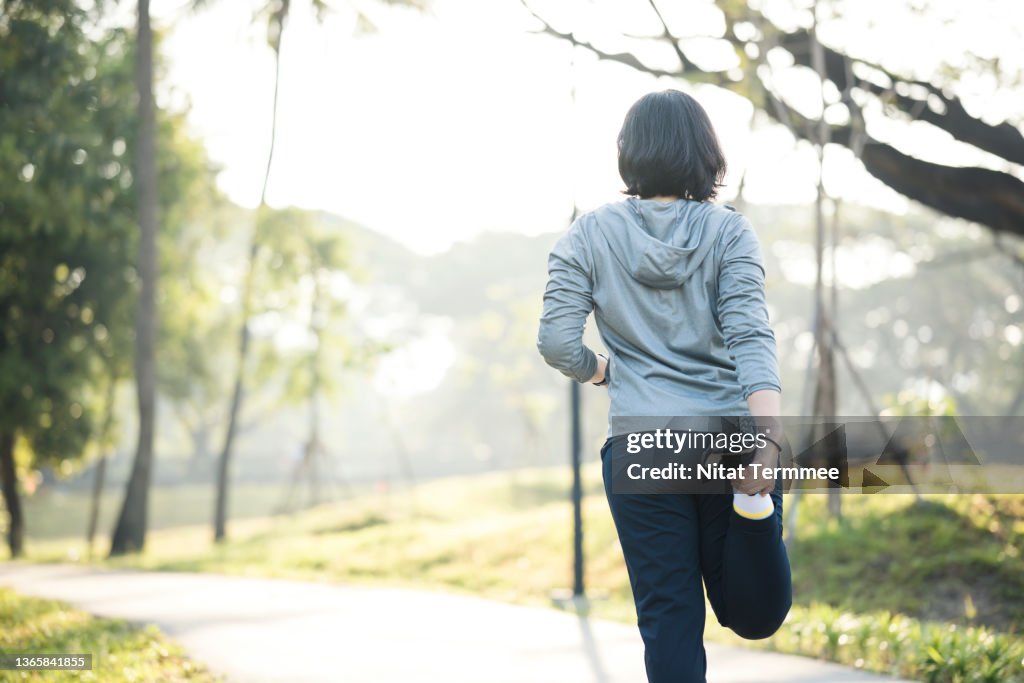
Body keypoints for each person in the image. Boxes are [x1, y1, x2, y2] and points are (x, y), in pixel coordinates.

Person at [537, 89, 792, 683]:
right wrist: (769, 437)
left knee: (670, 618)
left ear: (629, 154)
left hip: (641, 447)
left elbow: (555, 342)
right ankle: (752, 504)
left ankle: (751, 505)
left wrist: (600, 371)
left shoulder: (587, 235)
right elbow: (751, 335)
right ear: (707, 154)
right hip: (727, 441)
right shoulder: (730, 233)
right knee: (754, 614)